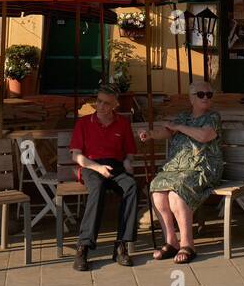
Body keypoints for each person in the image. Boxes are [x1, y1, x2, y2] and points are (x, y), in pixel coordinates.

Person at [139, 83, 224, 264]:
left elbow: (204, 136)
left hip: (203, 168)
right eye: (201, 94)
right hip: (176, 169)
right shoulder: (183, 116)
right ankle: (171, 242)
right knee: (157, 188)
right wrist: (150, 134)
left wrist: (179, 127)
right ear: (191, 98)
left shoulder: (213, 117)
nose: (205, 98)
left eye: (209, 94)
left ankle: (188, 244)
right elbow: (166, 130)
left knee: (176, 192)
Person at [69, 82, 139, 272]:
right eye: (99, 101)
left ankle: (121, 245)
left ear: (115, 104)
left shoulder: (123, 124)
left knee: (131, 187)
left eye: (106, 103)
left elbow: (130, 152)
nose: (101, 106)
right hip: (91, 166)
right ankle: (83, 246)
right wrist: (98, 168)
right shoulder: (83, 123)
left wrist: (127, 161)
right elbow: (76, 156)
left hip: (115, 166)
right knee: (98, 189)